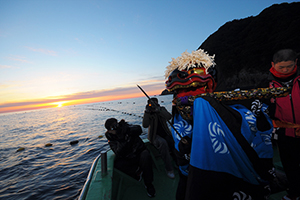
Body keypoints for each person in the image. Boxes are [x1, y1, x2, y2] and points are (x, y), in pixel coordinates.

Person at [267, 49, 300, 200]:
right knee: (289, 166)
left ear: (296, 63)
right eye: (282, 67)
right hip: (284, 133)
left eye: (290, 66)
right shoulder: (267, 85)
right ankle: (294, 194)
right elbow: (264, 107)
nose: (286, 70)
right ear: (273, 65)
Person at [104, 118, 156, 198]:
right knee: (117, 165)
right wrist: (121, 138)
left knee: (146, 155)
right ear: (109, 131)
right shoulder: (111, 137)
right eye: (113, 127)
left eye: (116, 125)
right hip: (128, 157)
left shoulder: (125, 127)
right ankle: (137, 171)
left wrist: (127, 130)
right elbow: (118, 152)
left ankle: (148, 184)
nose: (116, 128)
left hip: (139, 152)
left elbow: (139, 129)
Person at [142, 97, 176, 179]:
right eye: (151, 104)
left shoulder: (162, 109)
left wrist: (159, 110)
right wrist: (147, 112)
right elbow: (145, 125)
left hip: (165, 133)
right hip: (154, 136)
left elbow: (169, 117)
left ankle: (179, 163)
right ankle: (169, 169)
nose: (153, 105)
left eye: (155, 103)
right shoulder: (148, 113)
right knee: (163, 143)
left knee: (173, 142)